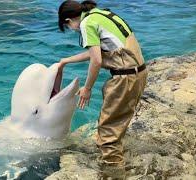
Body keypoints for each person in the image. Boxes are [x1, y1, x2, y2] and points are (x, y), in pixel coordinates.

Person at [57, 0, 148, 178]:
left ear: (69, 20)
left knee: (107, 133)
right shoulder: (100, 14)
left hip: (125, 78)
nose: (73, 29)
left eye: (69, 27)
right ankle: (117, 161)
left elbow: (96, 60)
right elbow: (97, 52)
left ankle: (114, 174)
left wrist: (87, 88)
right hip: (138, 74)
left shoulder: (86, 23)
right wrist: (66, 60)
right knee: (116, 124)